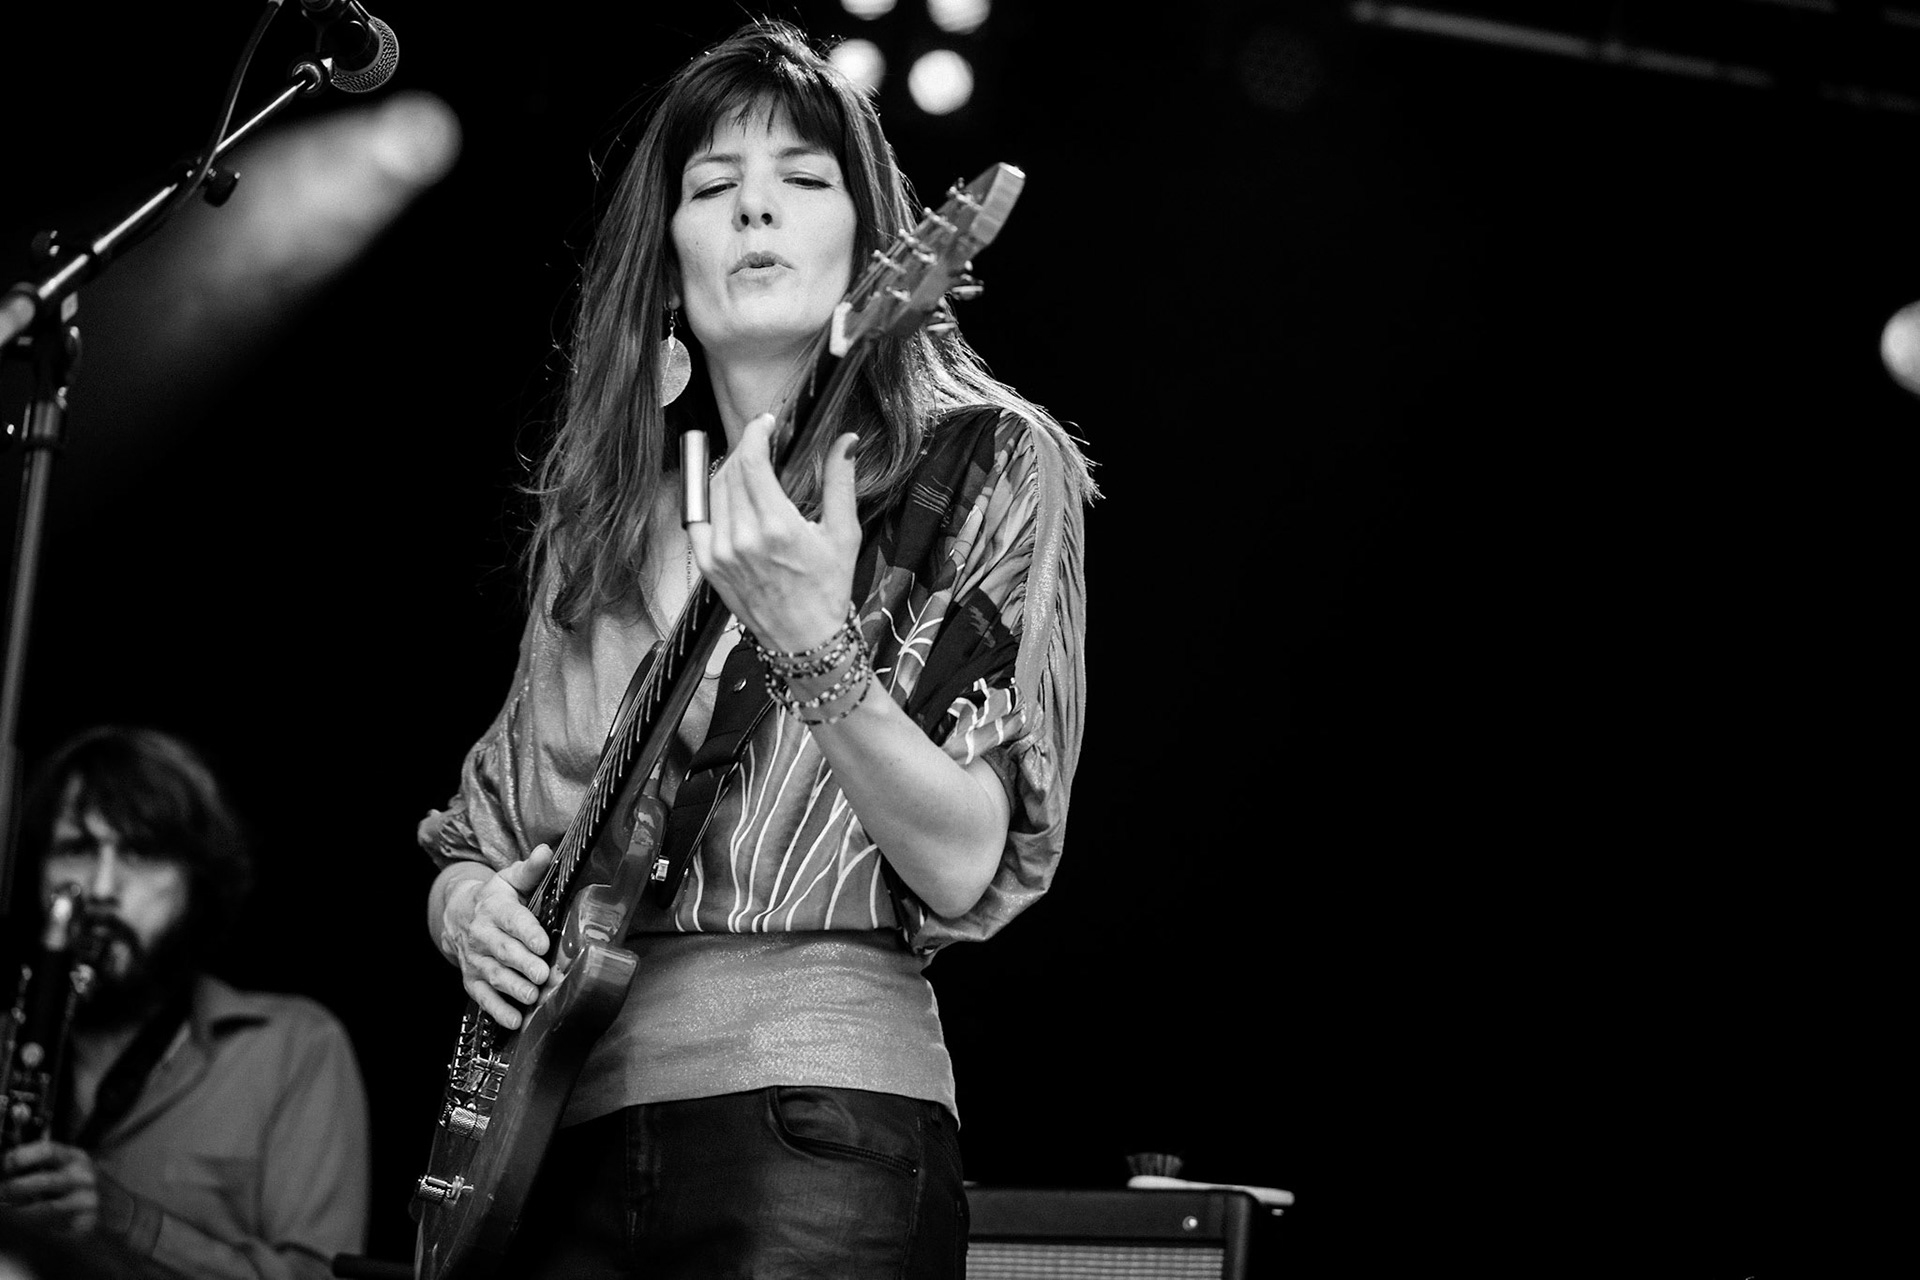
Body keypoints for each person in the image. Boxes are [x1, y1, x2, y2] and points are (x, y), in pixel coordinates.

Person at [415, 16, 1095, 1280]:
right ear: (667, 270)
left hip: (818, 1125)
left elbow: (961, 858)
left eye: (804, 182)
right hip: (550, 1147)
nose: (756, 214)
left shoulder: (986, 466)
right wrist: (469, 914)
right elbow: (481, 832)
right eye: (715, 188)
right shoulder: (597, 526)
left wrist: (814, 637)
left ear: (876, 248)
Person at [0, 726, 371, 1280]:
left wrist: (124, 1220)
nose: (101, 888)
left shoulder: (295, 1046)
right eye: (76, 849)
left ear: (197, 882)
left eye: (141, 852)